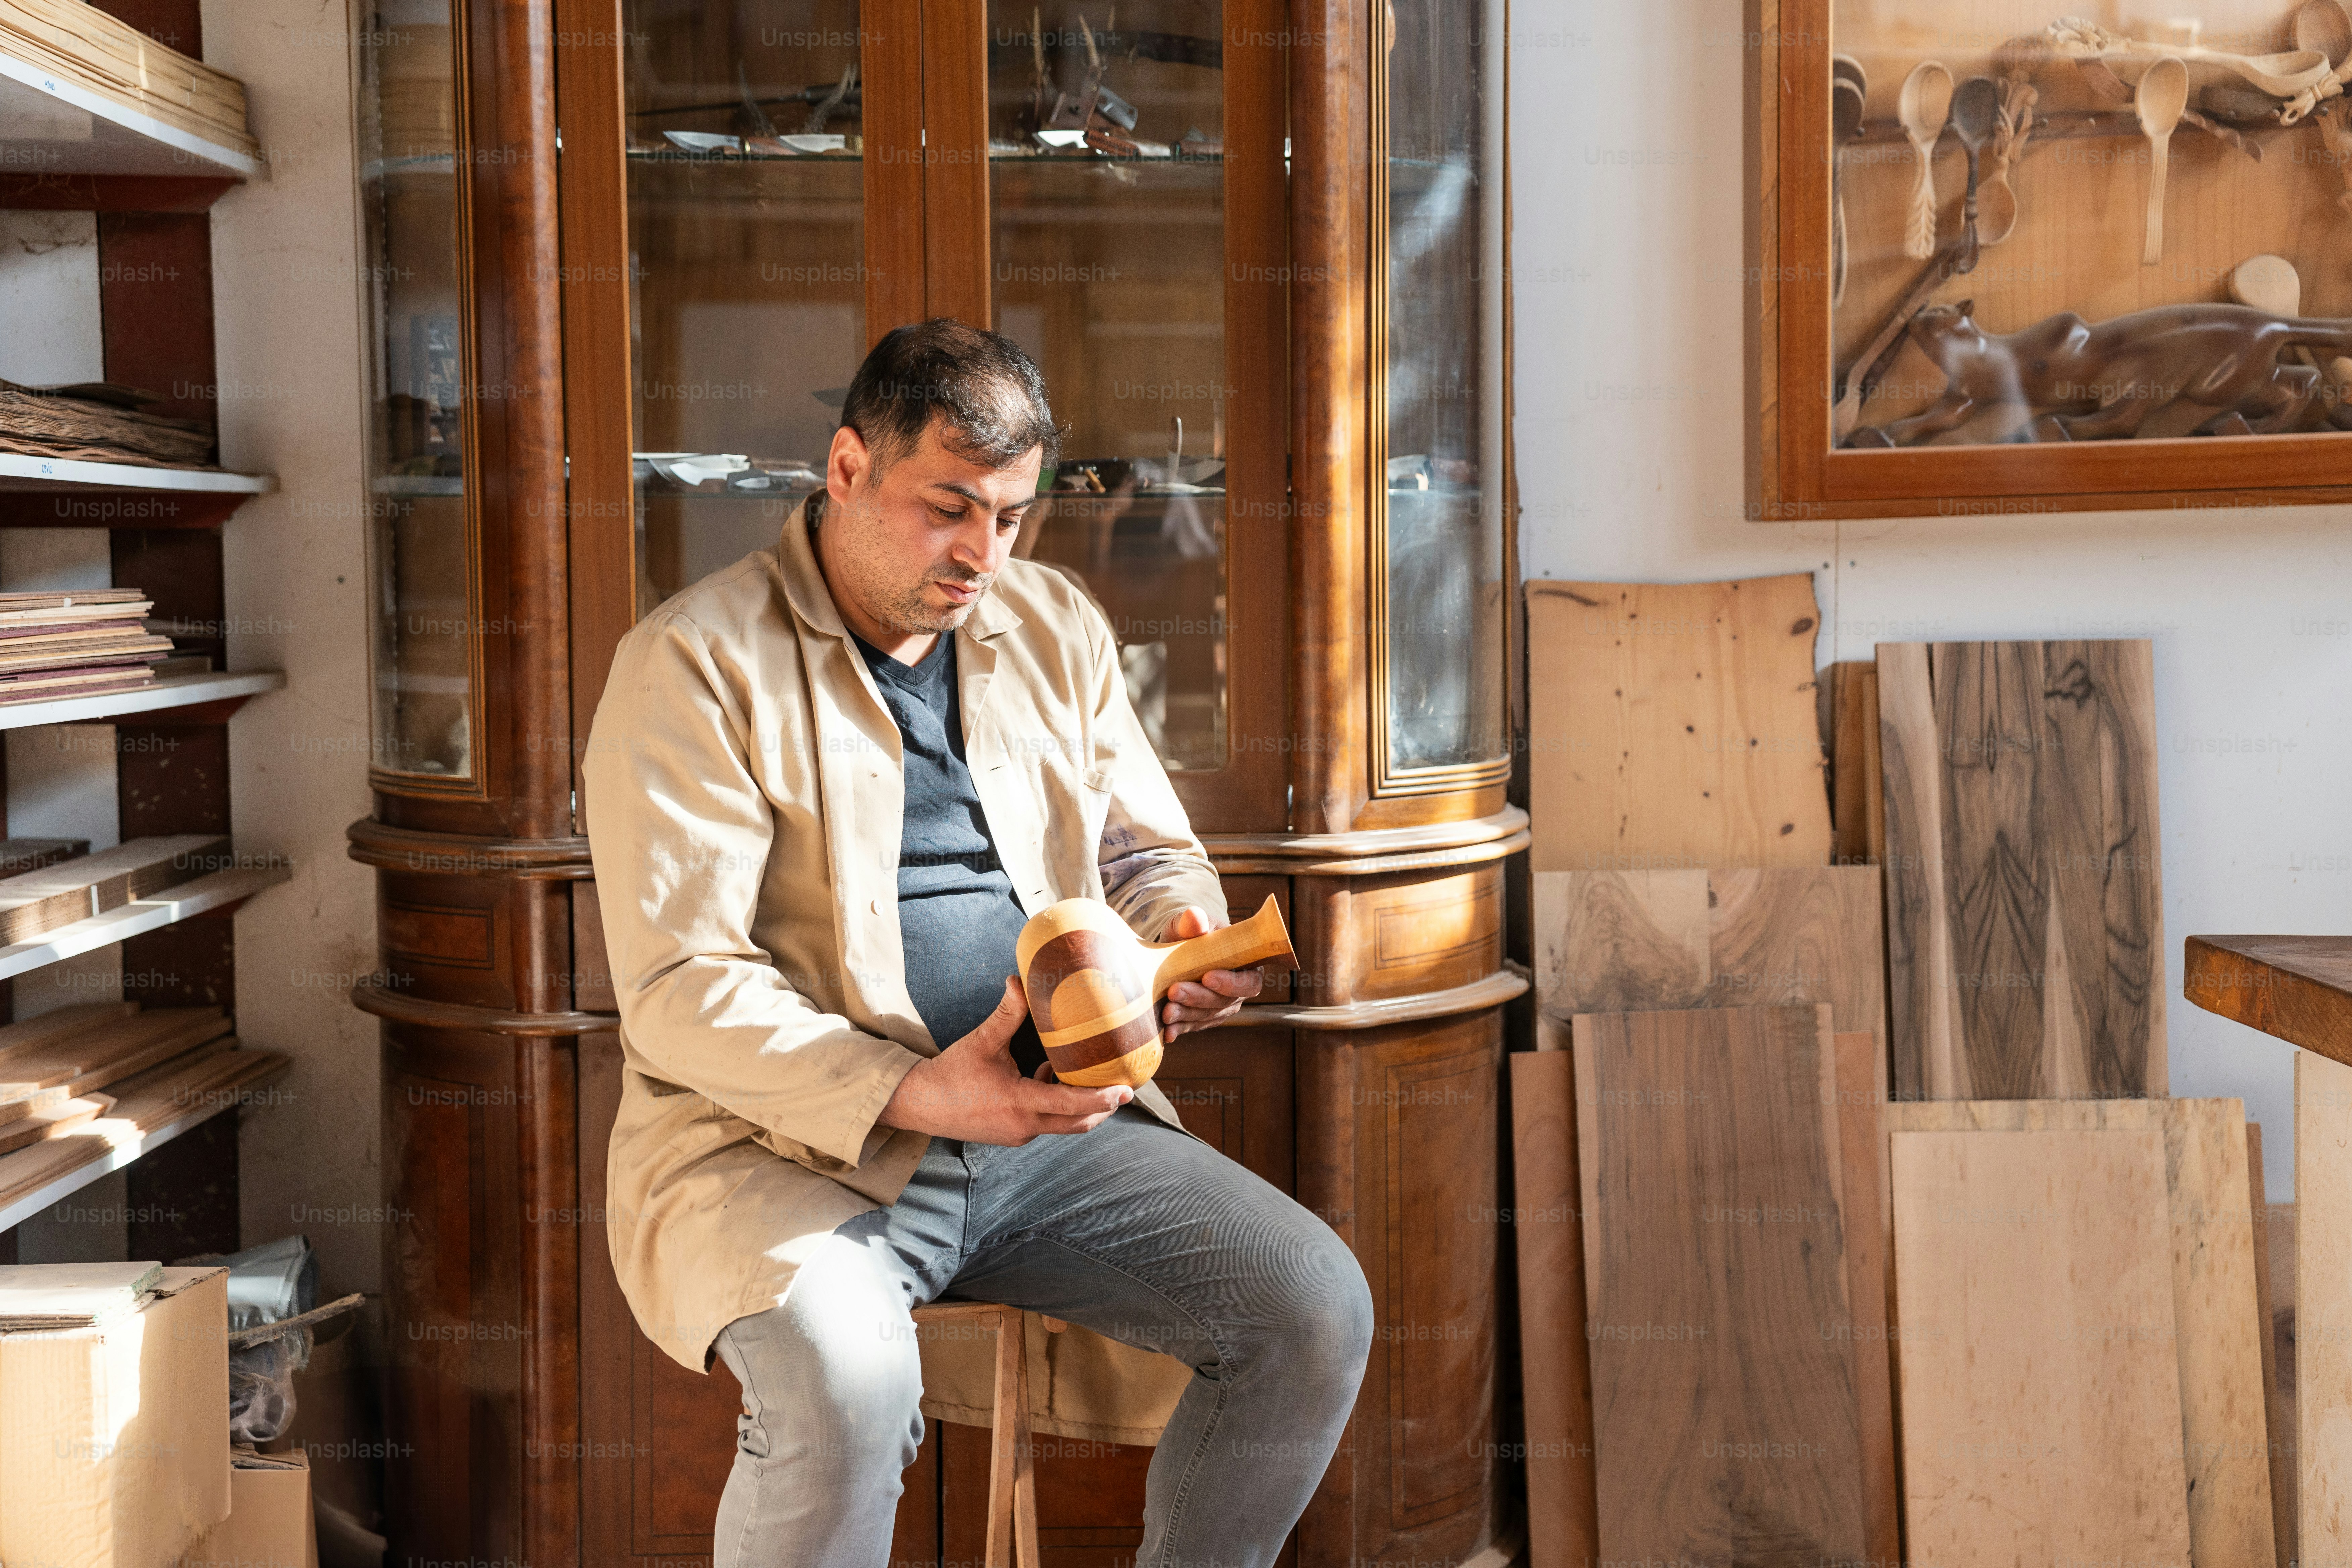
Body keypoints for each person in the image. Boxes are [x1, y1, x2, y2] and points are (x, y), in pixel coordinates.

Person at [583, 317, 1374, 1567]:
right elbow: (680, 988)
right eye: (949, 508)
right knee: (845, 1391)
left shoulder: (1051, 624)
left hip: (1046, 1129)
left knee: (1314, 1311)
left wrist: (1180, 934)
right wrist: (912, 1089)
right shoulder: (690, 665)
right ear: (847, 469)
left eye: (1011, 517)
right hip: (784, 1152)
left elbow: (1144, 850)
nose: (983, 554)